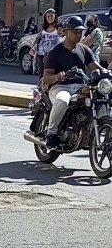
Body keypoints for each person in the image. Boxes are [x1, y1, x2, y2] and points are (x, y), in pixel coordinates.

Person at [42, 16, 105, 151]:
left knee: (99, 99)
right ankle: (51, 133)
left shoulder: (84, 49)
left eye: (80, 32)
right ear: (65, 32)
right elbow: (46, 77)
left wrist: (107, 73)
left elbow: (95, 66)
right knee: (63, 101)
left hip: (81, 88)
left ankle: (94, 130)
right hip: (60, 87)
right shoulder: (56, 52)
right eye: (75, 32)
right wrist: (57, 77)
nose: (78, 34)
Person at [30, 8, 60, 76]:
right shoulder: (43, 27)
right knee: (41, 73)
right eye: (48, 16)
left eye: (51, 16)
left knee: (51, 73)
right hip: (41, 53)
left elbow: (63, 37)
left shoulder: (58, 27)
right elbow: (38, 38)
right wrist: (33, 47)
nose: (50, 18)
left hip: (53, 54)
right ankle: (41, 85)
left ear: (55, 16)